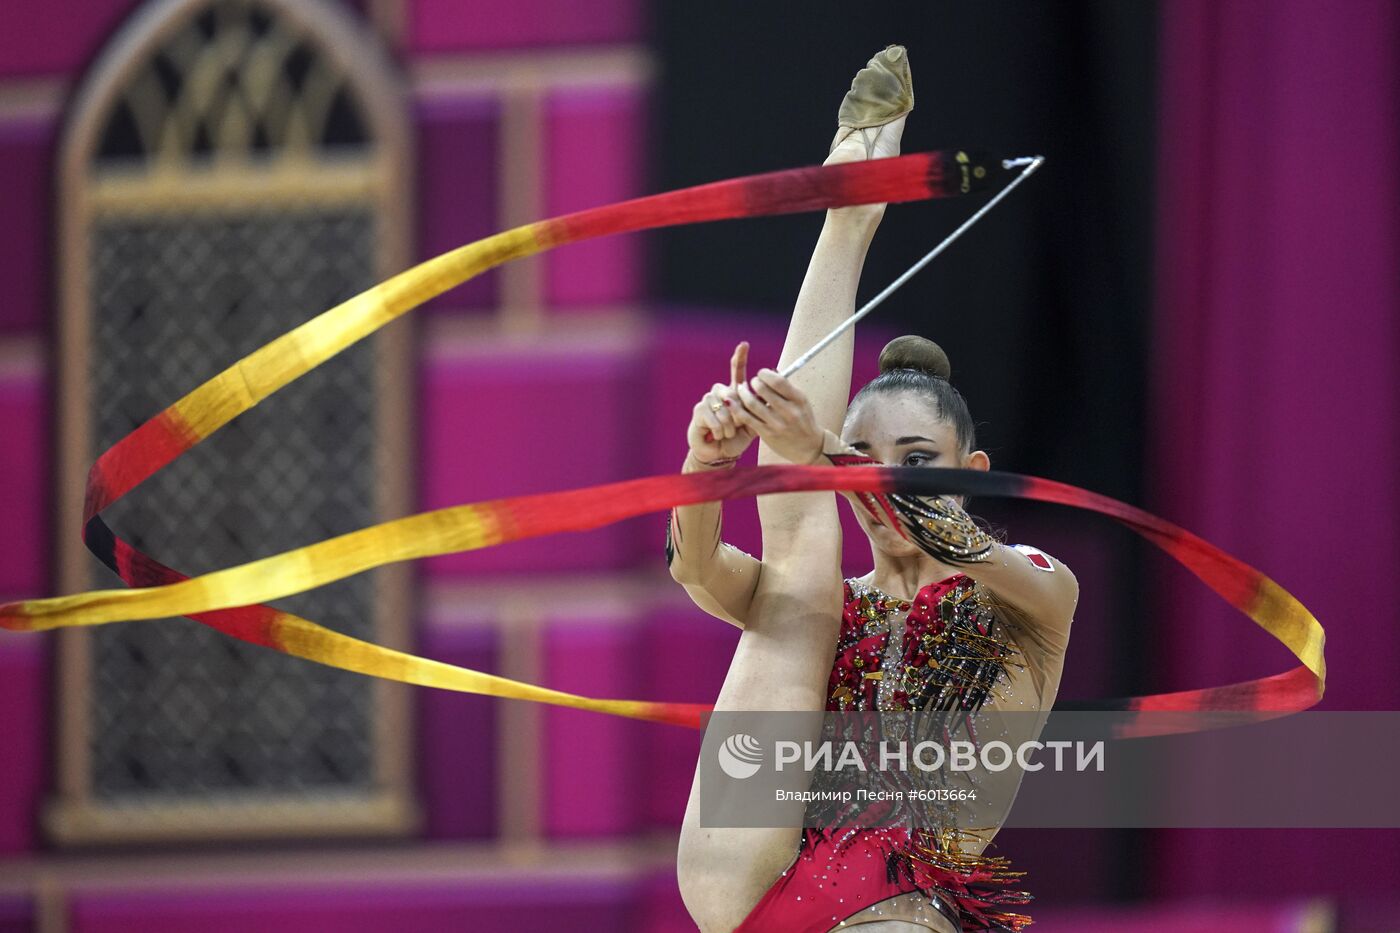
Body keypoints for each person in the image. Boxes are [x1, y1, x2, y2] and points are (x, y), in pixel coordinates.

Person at [668, 46, 1078, 933]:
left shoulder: (1031, 589)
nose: (881, 471)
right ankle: (847, 213)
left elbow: (947, 536)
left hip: (894, 903)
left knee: (802, 527)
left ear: (970, 474)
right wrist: (707, 465)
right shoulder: (825, 603)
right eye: (864, 451)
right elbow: (693, 567)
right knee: (796, 562)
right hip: (747, 874)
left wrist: (824, 449)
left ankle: (851, 217)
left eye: (916, 454)